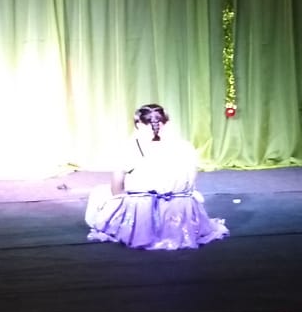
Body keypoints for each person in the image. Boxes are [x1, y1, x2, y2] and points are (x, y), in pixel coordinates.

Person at [84, 104, 228, 250]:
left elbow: (116, 188)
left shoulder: (128, 148)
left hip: (140, 208)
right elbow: (191, 181)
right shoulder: (185, 147)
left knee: (100, 194)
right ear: (167, 123)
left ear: (138, 124)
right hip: (180, 206)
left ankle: (138, 226)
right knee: (193, 195)